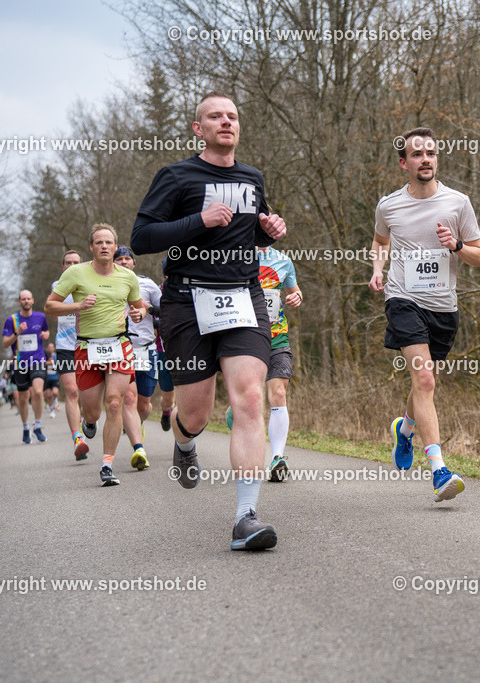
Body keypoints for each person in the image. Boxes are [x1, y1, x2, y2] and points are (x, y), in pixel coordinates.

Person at [131, 91, 286, 550]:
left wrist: (268, 231)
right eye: (215, 116)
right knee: (195, 414)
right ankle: (183, 445)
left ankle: (246, 517)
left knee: (251, 397)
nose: (226, 122)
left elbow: (251, 227)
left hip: (243, 296)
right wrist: (198, 219)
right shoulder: (177, 176)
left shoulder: (252, 177)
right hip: (187, 300)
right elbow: (142, 238)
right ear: (198, 128)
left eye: (232, 116)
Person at [369, 127, 480, 502]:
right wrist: (377, 269)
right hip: (402, 299)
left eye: (431, 153)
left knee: (424, 381)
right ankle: (439, 470)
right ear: (404, 162)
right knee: (426, 380)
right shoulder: (389, 205)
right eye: (417, 154)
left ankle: (405, 429)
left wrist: (457, 245)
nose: (426, 159)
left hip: (443, 306)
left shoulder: (458, 203)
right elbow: (380, 240)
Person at [46, 224, 145, 486]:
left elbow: (139, 306)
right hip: (86, 347)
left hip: (119, 345)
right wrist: (78, 305)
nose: (104, 246)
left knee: (115, 402)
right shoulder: (76, 273)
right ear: (91, 247)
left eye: (108, 242)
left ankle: (107, 464)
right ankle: (88, 423)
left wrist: (139, 314)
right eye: (99, 242)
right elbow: (50, 305)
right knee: (91, 412)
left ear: (115, 247)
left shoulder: (127, 277)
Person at [226, 245, 302, 482]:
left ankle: (278, 458)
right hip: (245, 336)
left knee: (278, 392)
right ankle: (236, 409)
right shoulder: (234, 256)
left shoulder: (283, 260)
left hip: (277, 335)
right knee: (251, 396)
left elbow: (296, 291)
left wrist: (296, 297)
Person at [113, 245, 161, 470]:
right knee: (129, 400)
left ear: (134, 263)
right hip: (122, 348)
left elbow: (165, 310)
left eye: (127, 259)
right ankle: (138, 449)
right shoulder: (108, 284)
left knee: (144, 405)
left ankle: (136, 424)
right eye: (119, 259)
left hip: (147, 349)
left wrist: (147, 309)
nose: (123, 262)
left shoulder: (148, 284)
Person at [52, 250, 89, 460]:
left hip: (87, 343)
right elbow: (55, 308)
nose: (72, 265)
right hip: (65, 346)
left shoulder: (92, 282)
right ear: (63, 266)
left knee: (86, 391)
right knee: (72, 391)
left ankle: (88, 420)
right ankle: (77, 439)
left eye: (76, 262)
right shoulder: (57, 287)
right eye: (68, 262)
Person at [2, 290, 49, 444]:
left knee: (37, 391)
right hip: (20, 363)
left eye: (28, 298)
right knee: (23, 398)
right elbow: (5, 343)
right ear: (19, 302)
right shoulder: (12, 320)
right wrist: (17, 333)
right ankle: (25, 428)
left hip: (38, 360)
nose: (26, 301)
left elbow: (46, 331)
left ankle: (37, 425)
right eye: (23, 299)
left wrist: (46, 335)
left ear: (33, 300)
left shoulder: (40, 317)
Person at [43, 343, 61, 418]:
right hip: (47, 378)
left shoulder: (56, 356)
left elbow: (60, 365)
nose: (50, 348)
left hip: (55, 377)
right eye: (49, 347)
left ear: (53, 348)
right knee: (48, 395)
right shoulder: (45, 356)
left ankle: (56, 400)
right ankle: (51, 408)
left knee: (55, 392)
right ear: (47, 348)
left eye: (52, 347)